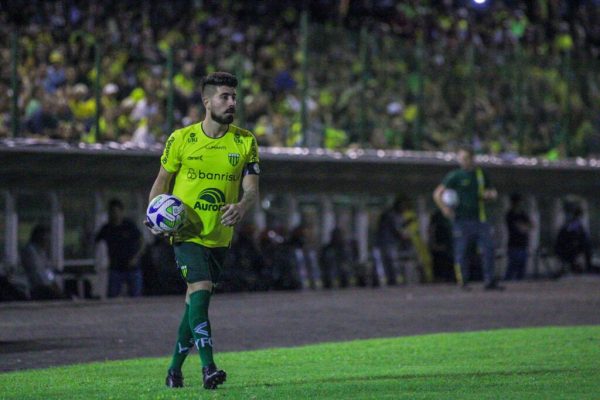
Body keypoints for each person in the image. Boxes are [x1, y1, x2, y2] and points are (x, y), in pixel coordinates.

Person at [148, 72, 259, 390]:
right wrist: (154, 214)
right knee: (202, 288)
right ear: (206, 101)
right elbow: (161, 183)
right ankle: (209, 368)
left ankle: (173, 371)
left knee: (193, 303)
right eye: (225, 96)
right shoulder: (181, 139)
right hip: (186, 233)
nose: (232, 103)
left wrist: (241, 205)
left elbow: (252, 190)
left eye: (234, 97)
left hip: (220, 235)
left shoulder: (245, 141)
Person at [433, 146, 503, 290]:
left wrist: (491, 195)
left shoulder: (480, 174)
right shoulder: (454, 176)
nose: (464, 161)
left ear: (472, 158)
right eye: (461, 158)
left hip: (481, 219)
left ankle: (489, 281)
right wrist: (445, 208)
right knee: (462, 251)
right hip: (461, 220)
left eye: (466, 158)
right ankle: (462, 281)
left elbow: (492, 191)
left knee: (488, 249)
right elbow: (437, 193)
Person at [95, 198, 145, 298]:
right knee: (112, 295)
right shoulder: (107, 229)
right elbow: (95, 241)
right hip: (115, 268)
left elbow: (142, 242)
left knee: (136, 296)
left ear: (121, 212)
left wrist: (136, 257)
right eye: (111, 212)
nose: (114, 215)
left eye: (116, 212)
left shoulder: (129, 226)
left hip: (132, 268)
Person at [20, 224, 66, 300]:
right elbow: (37, 274)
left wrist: (53, 282)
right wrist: (50, 286)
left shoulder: (42, 252)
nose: (47, 240)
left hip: (46, 286)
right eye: (45, 237)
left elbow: (47, 271)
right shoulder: (30, 251)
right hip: (35, 287)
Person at [554, 204, 592, 274]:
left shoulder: (573, 222)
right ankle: (582, 266)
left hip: (569, 246)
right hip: (569, 247)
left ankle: (577, 266)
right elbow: (572, 234)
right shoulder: (574, 222)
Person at [504, 193, 533, 280]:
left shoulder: (523, 214)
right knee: (512, 266)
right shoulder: (510, 214)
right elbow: (520, 227)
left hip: (523, 244)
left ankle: (519, 282)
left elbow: (530, 226)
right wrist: (524, 226)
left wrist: (524, 227)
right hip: (514, 244)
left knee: (522, 267)